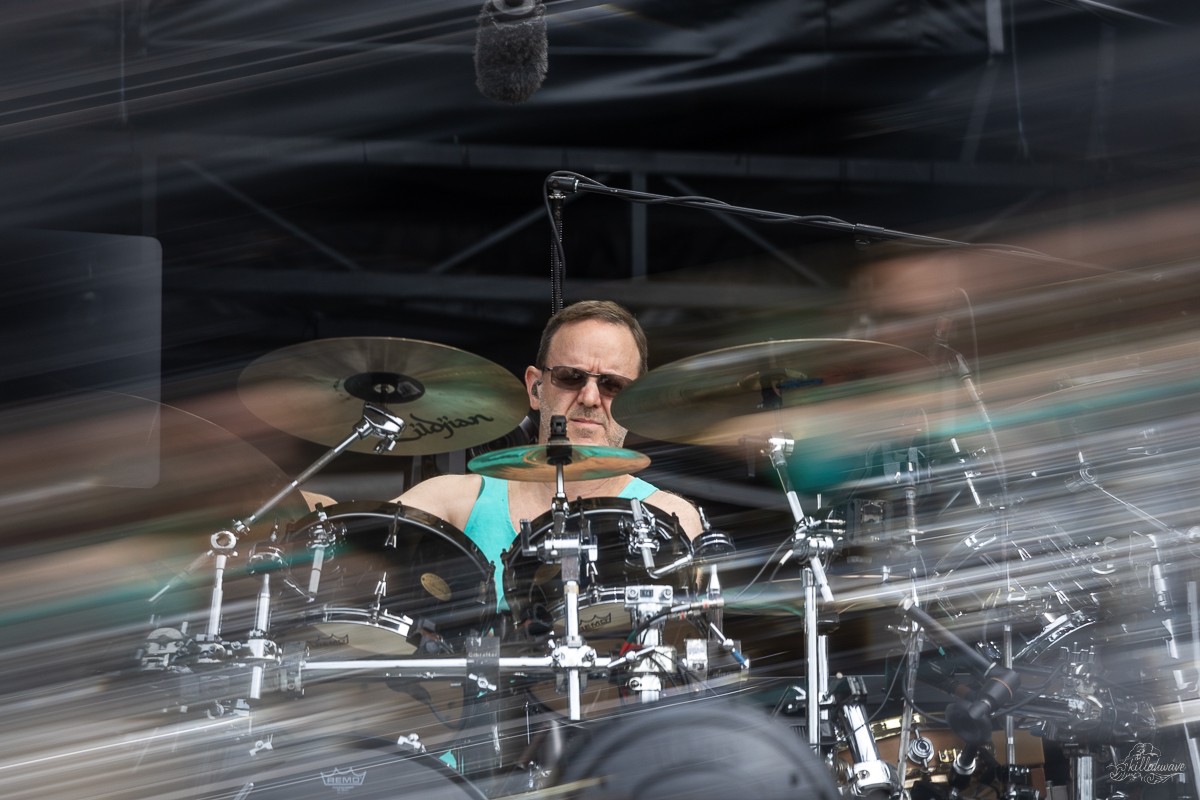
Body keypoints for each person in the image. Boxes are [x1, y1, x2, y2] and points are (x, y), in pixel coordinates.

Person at [391, 299, 704, 617]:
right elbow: (363, 542)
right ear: (535, 387)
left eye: (613, 385)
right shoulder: (454, 500)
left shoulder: (670, 518)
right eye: (571, 377)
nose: (590, 398)